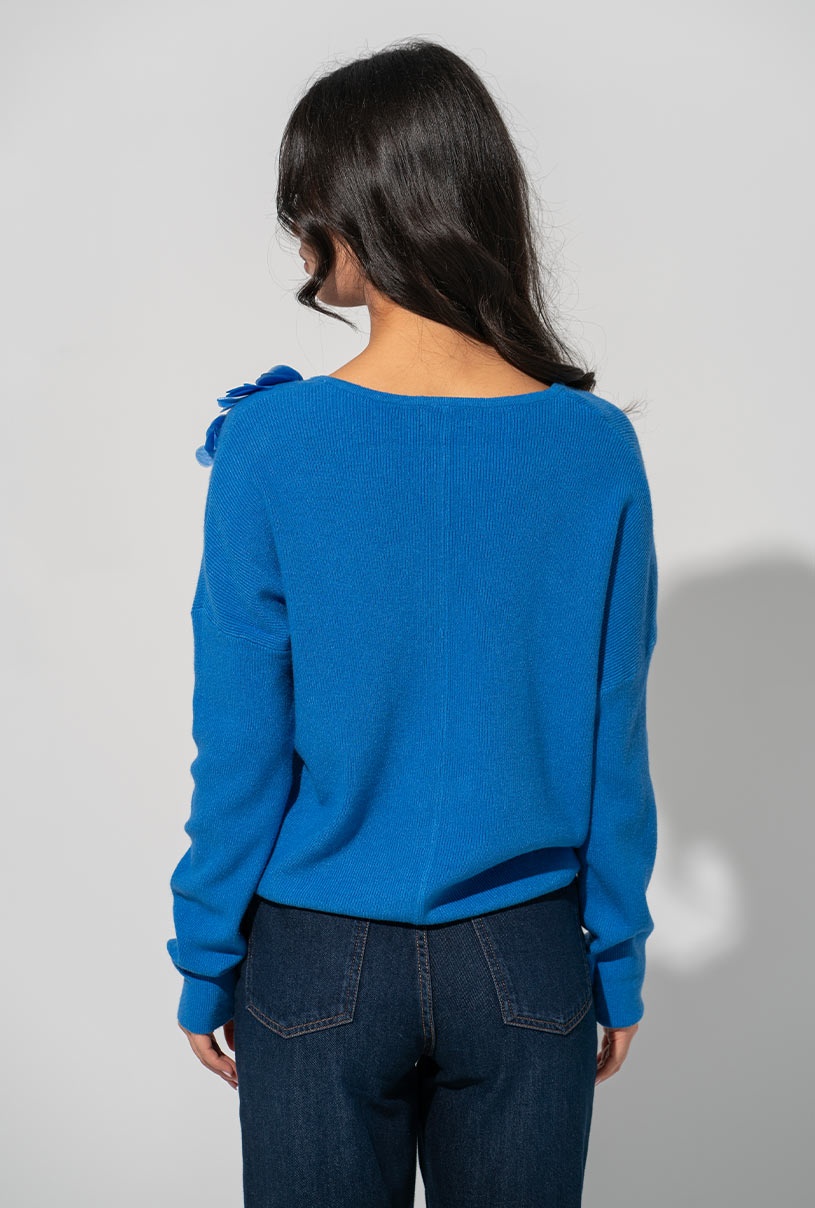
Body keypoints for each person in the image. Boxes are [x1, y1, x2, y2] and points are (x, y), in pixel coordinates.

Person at [166, 36, 659, 1208]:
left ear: (362, 209)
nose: (298, 233)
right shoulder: (593, 449)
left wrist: (205, 952)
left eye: (307, 203)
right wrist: (616, 953)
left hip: (315, 954)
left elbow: (240, 739)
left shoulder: (270, 444)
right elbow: (610, 731)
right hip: (523, 953)